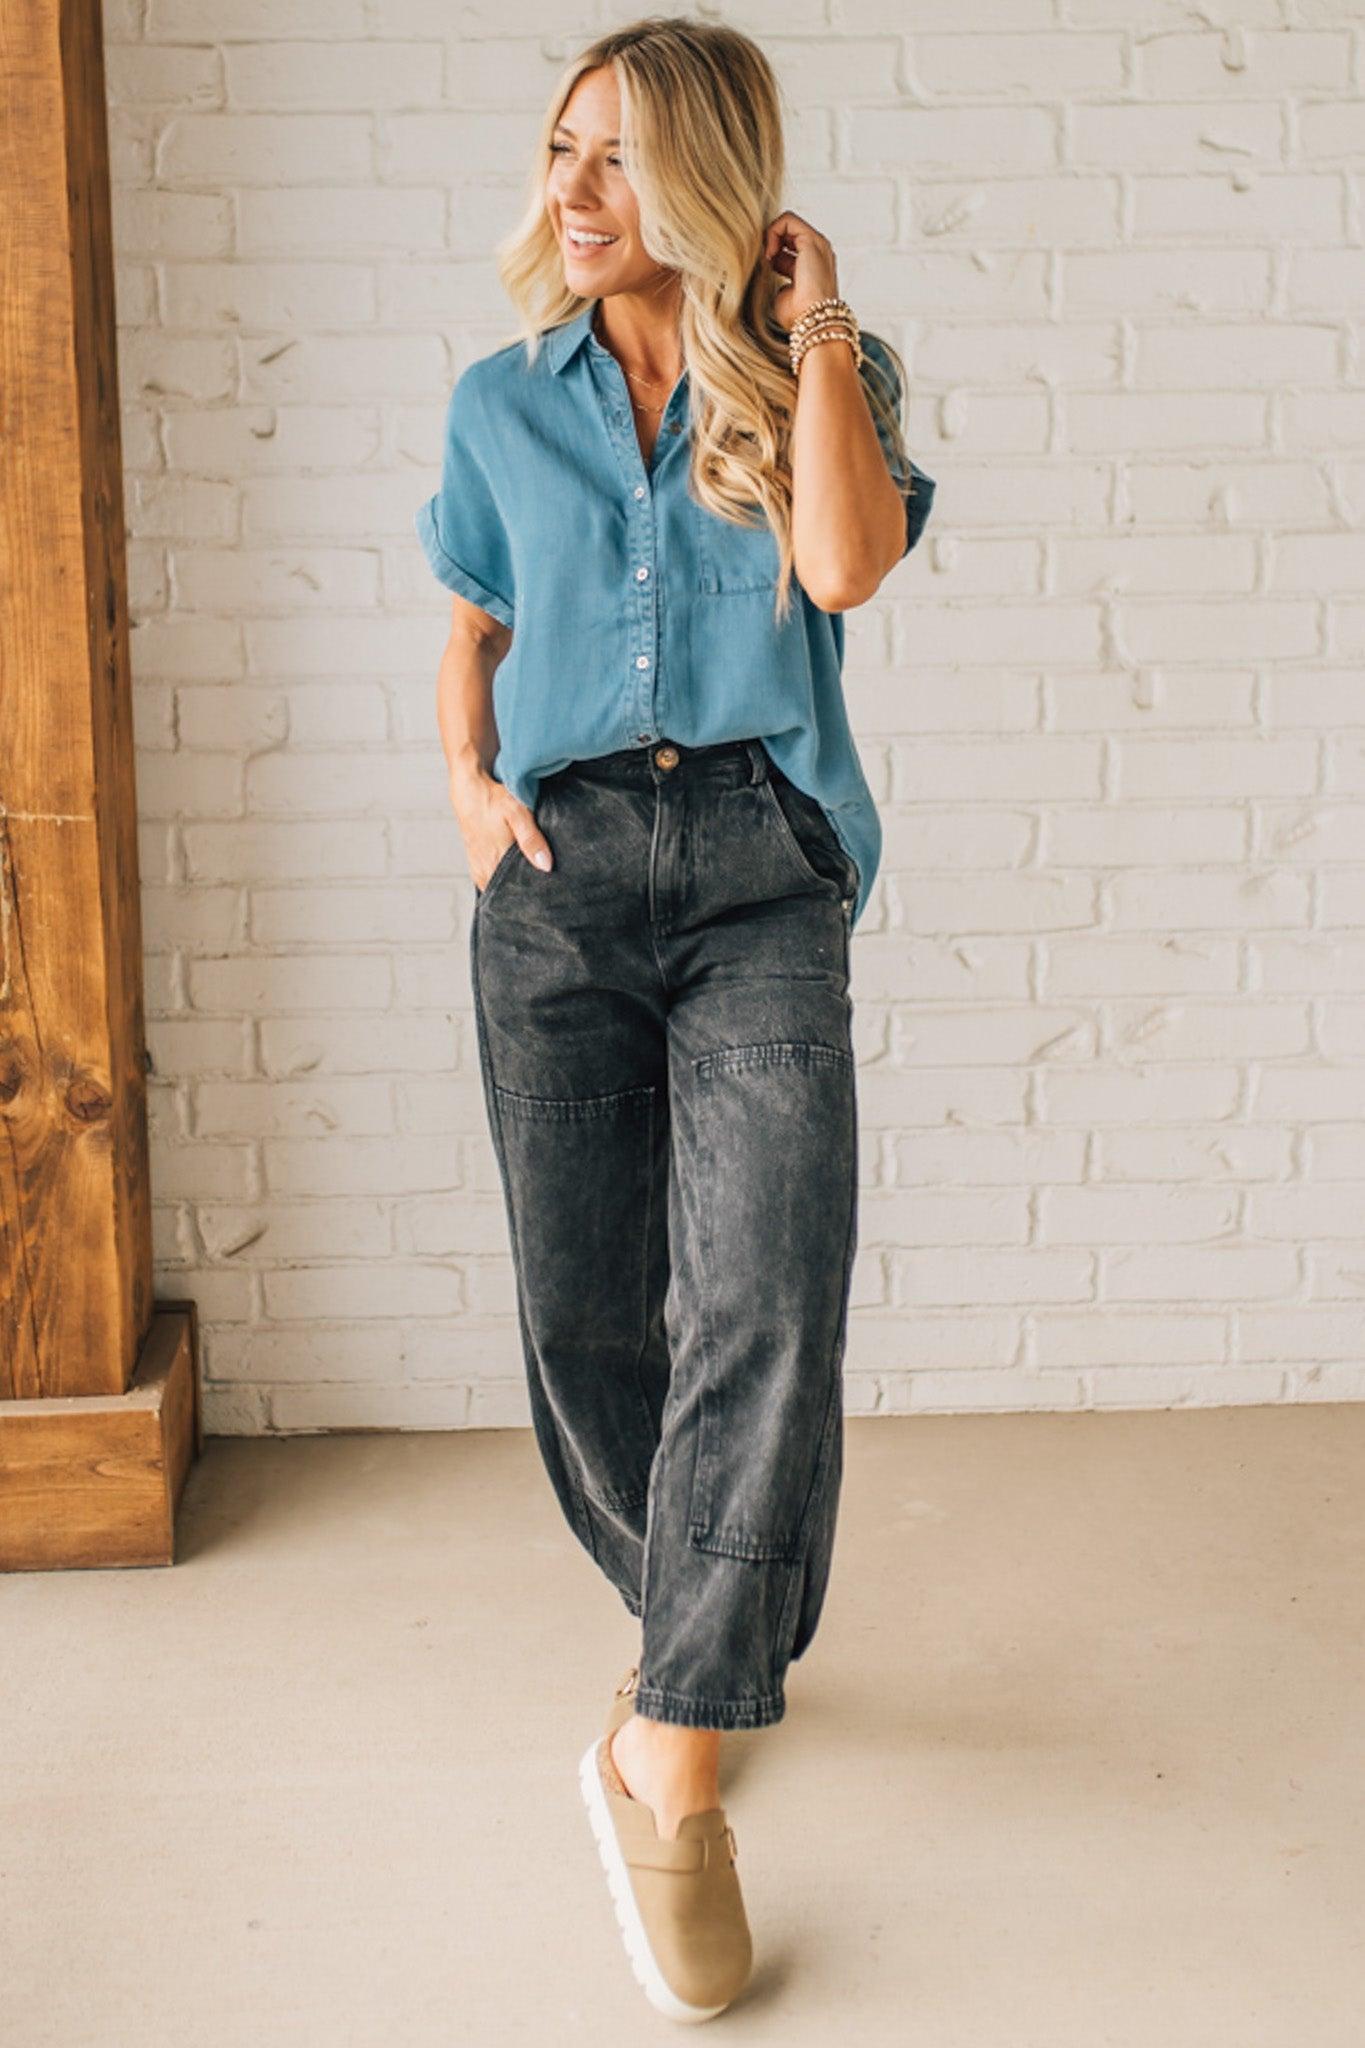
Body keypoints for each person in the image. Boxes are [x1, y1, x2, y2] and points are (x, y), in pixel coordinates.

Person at [414, 16, 936, 2021]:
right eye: (559, 149)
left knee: (764, 1296)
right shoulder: (493, 401)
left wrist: (811, 335)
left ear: (707, 185)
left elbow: (841, 565)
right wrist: (467, 795)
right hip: (551, 888)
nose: (568, 190)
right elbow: (468, 626)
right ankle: (712, 1618)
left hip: (753, 870)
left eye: (617, 159)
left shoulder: (818, 381)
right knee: (581, 1317)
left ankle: (674, 1755)